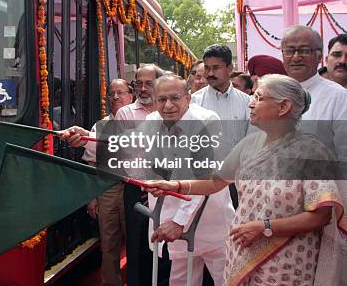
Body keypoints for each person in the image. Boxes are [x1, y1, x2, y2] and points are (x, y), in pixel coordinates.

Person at [147, 74, 346, 285]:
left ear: (283, 107)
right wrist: (175, 186)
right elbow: (215, 182)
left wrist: (265, 227)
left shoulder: (311, 151)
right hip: (243, 252)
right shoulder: (250, 144)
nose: (250, 103)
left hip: (287, 262)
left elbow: (321, 216)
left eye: (259, 97)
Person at [130, 74, 234, 286]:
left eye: (175, 98)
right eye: (162, 99)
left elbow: (205, 178)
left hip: (208, 220)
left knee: (228, 280)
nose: (168, 105)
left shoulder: (207, 121)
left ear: (188, 98)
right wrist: (83, 137)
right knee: (181, 281)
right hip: (168, 217)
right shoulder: (151, 122)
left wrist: (179, 222)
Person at [60, 79, 134, 286]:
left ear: (131, 95)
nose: (116, 97)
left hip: (134, 190)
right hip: (107, 189)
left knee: (136, 243)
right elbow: (92, 162)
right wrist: (92, 197)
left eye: (121, 92)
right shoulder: (100, 126)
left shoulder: (143, 121)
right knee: (109, 243)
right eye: (112, 94)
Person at [115, 65, 171, 286]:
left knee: (166, 245)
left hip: (169, 190)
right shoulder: (125, 113)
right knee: (138, 246)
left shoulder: (171, 110)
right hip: (137, 190)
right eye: (139, 83)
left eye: (149, 83)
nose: (143, 88)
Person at [280, 26, 347, 157]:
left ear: (319, 56)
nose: (296, 57)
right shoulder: (269, 94)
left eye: (304, 51)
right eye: (289, 50)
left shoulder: (338, 97)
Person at [191, 45, 250, 161]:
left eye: (216, 68)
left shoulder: (247, 102)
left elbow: (251, 142)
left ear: (230, 68)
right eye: (207, 68)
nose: (210, 73)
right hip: (203, 174)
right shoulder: (194, 101)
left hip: (237, 173)